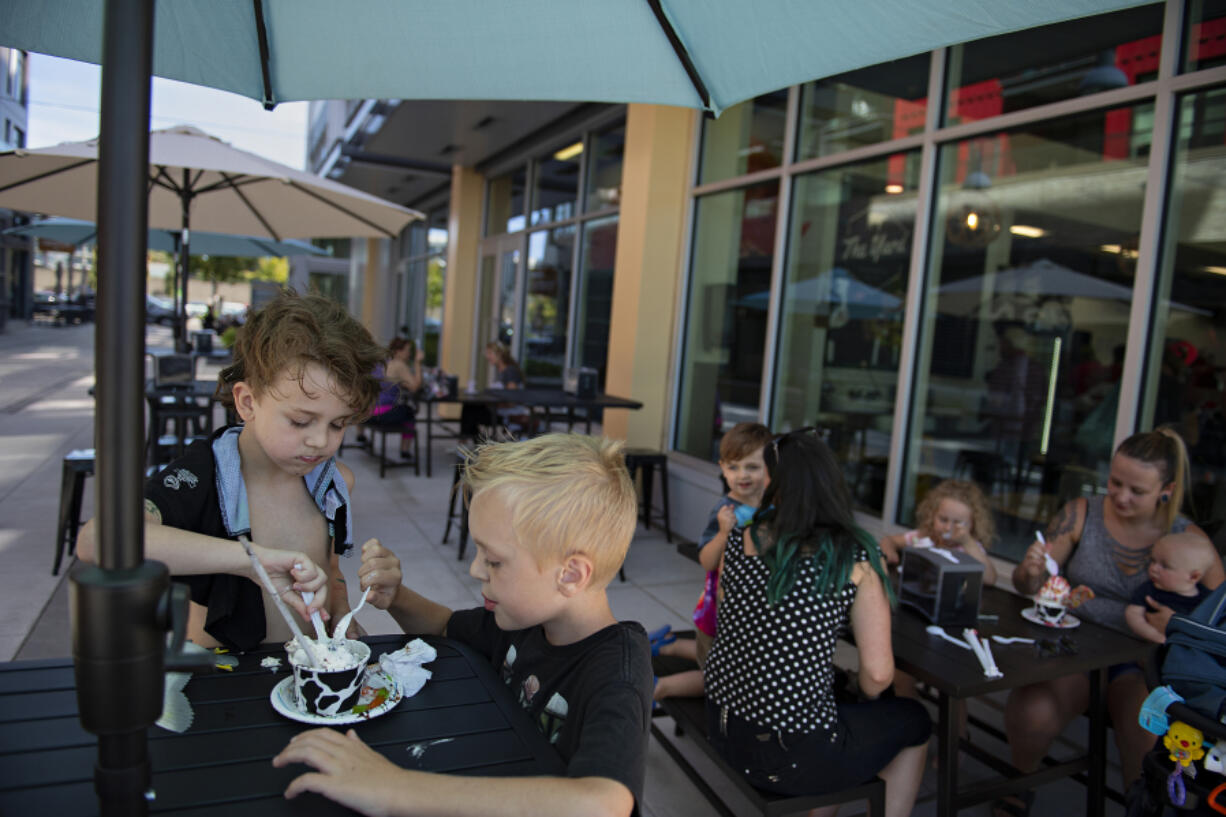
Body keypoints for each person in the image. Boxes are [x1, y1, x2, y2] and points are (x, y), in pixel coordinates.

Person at [273, 433, 653, 817]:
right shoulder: (523, 621)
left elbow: (604, 803)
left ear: (570, 575)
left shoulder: (616, 671)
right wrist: (397, 596)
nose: (474, 570)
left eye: (494, 561)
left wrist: (396, 788)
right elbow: (445, 626)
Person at [76, 290, 386, 651]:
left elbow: (330, 569)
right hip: (218, 680)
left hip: (302, 678)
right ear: (247, 402)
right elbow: (96, 541)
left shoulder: (333, 481)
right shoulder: (205, 476)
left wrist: (342, 611)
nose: (321, 441)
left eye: (338, 425)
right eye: (301, 421)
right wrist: (248, 562)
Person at [999, 428, 1226, 816]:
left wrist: (1176, 625)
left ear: (1166, 489)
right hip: (1074, 648)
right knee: (1031, 710)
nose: (1120, 496)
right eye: (1115, 482)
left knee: (1147, 730)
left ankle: (1141, 807)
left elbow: (1219, 621)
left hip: (1141, 661)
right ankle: (1020, 783)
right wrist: (1030, 570)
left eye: (1137, 490)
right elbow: (1026, 584)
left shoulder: (1188, 538)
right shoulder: (1081, 513)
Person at [703, 429, 930, 817]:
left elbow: (734, 609)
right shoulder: (854, 553)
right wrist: (866, 697)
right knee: (914, 719)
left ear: (774, 484)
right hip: (791, 755)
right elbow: (877, 674)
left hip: (724, 728)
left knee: (834, 714)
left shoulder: (741, 536)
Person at [653, 421, 772, 701]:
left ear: (770, 467)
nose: (742, 475)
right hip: (722, 608)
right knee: (719, 676)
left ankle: (665, 646)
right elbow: (706, 561)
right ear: (722, 467)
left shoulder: (771, 505)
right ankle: (658, 688)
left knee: (714, 652)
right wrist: (722, 533)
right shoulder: (725, 509)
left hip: (753, 606)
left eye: (752, 467)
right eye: (733, 467)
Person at [879, 478, 998, 586]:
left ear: (973, 525)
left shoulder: (969, 549)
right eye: (943, 519)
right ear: (932, 515)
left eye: (958, 523)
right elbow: (889, 540)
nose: (948, 527)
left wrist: (967, 542)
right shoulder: (925, 536)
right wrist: (888, 552)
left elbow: (990, 579)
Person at [1124, 530, 1216, 644]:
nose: (1153, 568)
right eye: (1153, 561)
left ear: (1193, 576)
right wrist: (1157, 637)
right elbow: (1133, 615)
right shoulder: (1150, 589)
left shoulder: (1208, 600)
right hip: (1151, 647)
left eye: (1165, 566)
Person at [364, 336, 424, 458]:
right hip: (381, 414)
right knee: (409, 412)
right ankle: (405, 451)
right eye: (407, 350)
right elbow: (414, 387)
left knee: (405, 410)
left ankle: (404, 450)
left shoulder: (381, 362)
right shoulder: (399, 365)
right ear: (398, 351)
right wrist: (418, 363)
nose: (409, 354)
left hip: (367, 412)